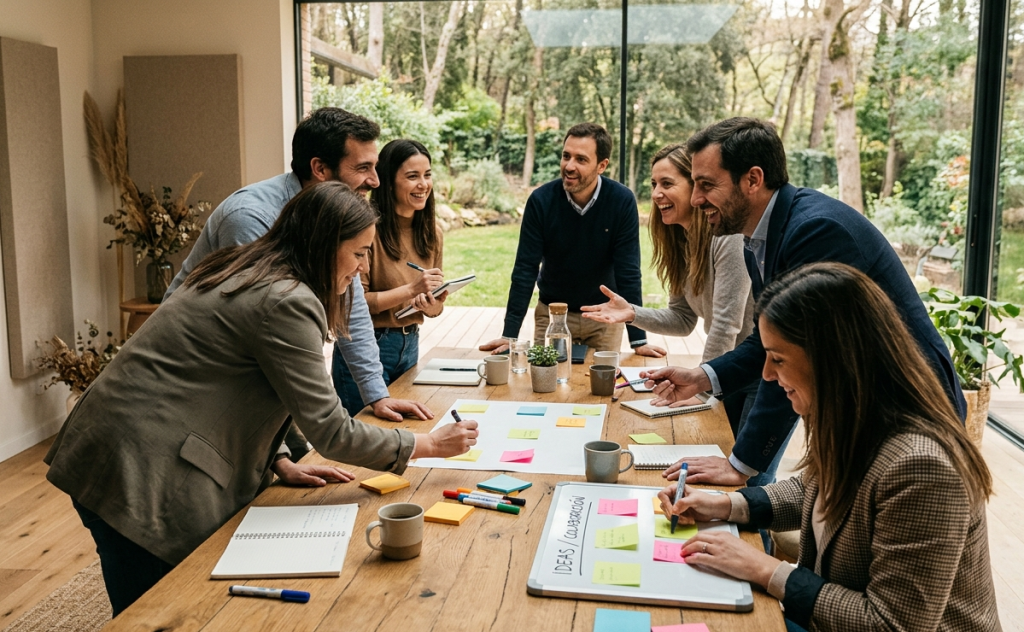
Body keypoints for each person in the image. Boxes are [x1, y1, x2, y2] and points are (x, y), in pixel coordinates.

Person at [45, 182, 479, 616]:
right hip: (133, 463)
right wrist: (430, 446)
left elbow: (262, 379)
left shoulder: (250, 267)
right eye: (359, 253)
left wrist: (278, 458)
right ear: (324, 245)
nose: (364, 269)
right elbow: (331, 430)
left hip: (113, 442)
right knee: (158, 611)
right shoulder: (286, 300)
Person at [658, 262, 998, 632]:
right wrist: (727, 505)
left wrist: (766, 569)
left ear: (832, 359)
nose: (768, 375)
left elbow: (892, 624)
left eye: (779, 358)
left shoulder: (922, 465)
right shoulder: (852, 416)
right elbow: (813, 490)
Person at [643, 118, 965, 489]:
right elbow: (769, 344)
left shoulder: (816, 233)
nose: (697, 199)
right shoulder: (760, 237)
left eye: (706, 185)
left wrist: (741, 465)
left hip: (905, 418)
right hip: (861, 411)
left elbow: (797, 351)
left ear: (752, 179)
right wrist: (703, 376)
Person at [165, 107, 431, 447]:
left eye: (375, 167)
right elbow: (266, 335)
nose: (376, 181)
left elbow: (349, 303)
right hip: (193, 375)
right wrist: (285, 452)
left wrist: (377, 395)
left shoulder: (332, 215)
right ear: (319, 168)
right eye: (363, 168)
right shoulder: (251, 217)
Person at [581, 144, 754, 434]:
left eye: (667, 183)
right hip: (730, 369)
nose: (656, 193)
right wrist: (631, 313)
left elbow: (726, 326)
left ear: (695, 188)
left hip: (764, 373)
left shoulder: (728, 238)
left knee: (750, 472)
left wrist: (698, 387)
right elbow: (683, 319)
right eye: (653, 184)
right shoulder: (681, 242)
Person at [479, 122, 662, 357]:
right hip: (553, 315)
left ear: (602, 165)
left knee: (602, 389)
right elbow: (525, 268)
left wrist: (638, 339)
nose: (569, 166)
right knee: (545, 387)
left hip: (604, 316)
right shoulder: (541, 201)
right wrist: (510, 334)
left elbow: (628, 271)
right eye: (566, 156)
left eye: (581, 159)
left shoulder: (621, 201)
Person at [334, 139, 446, 410]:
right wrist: (411, 290)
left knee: (403, 432)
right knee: (365, 438)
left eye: (427, 175)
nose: (423, 185)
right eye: (412, 176)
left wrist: (431, 305)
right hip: (366, 345)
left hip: (410, 344)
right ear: (388, 181)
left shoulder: (433, 233)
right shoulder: (366, 232)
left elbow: (437, 306)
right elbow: (354, 303)